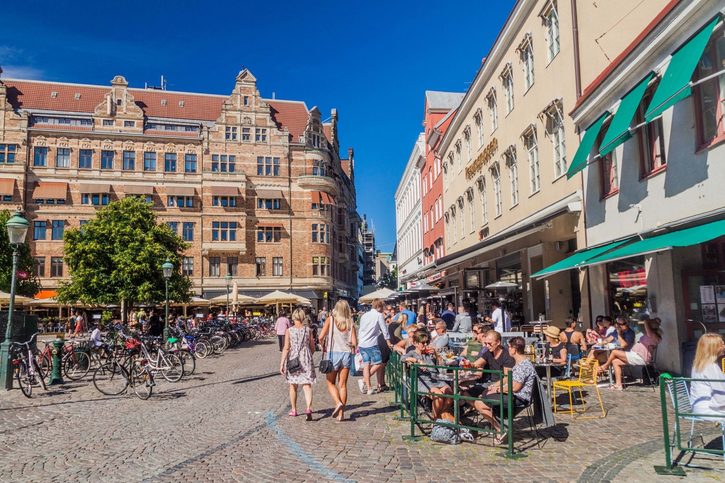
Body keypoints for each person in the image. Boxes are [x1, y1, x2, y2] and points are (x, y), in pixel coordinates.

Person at [473, 336, 537, 444]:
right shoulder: (520, 362)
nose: (508, 349)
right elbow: (508, 378)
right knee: (483, 396)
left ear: (514, 349)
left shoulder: (523, 365)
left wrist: (497, 390)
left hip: (518, 398)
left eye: (510, 347)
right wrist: (494, 386)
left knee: (479, 402)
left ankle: (500, 429)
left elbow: (515, 387)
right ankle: (499, 426)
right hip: (514, 394)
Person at [318, 300, 357, 422]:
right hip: (346, 354)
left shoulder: (331, 320)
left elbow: (320, 337)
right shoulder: (351, 322)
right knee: (343, 385)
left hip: (333, 353)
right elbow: (355, 343)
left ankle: (338, 402)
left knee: (330, 383)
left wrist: (323, 345)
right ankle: (341, 415)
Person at [599, 318, 662, 390]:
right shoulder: (653, 335)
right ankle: (618, 385)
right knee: (615, 361)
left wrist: (651, 321)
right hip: (635, 356)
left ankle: (605, 366)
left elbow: (646, 321)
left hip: (639, 357)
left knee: (614, 352)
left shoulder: (652, 335)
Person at [403, 330, 454, 419]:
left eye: (427, 342)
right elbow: (403, 358)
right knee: (438, 395)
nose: (426, 345)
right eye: (423, 343)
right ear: (415, 343)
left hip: (436, 379)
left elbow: (441, 364)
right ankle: (436, 420)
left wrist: (435, 353)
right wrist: (417, 361)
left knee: (449, 393)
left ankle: (442, 414)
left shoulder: (429, 354)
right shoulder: (413, 353)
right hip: (422, 381)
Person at [280, 308, 316, 421]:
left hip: (293, 358)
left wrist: (282, 363)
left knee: (293, 385)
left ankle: (294, 410)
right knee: (307, 385)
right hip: (305, 358)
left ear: (293, 318)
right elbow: (313, 346)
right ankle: (309, 408)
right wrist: (308, 354)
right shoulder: (308, 330)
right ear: (303, 317)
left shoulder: (289, 331)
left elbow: (286, 348)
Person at [357, 299, 392, 395]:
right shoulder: (378, 315)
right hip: (371, 343)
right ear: (379, 307)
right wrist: (388, 341)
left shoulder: (364, 315)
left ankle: (369, 388)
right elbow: (384, 330)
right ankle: (364, 380)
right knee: (379, 362)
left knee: (366, 365)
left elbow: (361, 329)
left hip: (362, 343)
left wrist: (359, 341)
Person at [467, 330, 516, 398]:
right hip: (490, 383)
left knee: (482, 396)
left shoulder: (507, 355)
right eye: (486, 343)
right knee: (466, 393)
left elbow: (507, 378)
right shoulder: (489, 352)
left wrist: (493, 386)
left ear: (498, 342)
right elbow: (476, 364)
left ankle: (480, 406)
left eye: (490, 343)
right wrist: (467, 364)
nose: (487, 346)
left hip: (502, 386)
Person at [690, 333, 725, 419]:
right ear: (713, 348)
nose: (724, 346)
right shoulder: (711, 367)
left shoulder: (698, 365)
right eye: (721, 344)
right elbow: (720, 397)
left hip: (697, 407)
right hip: (709, 410)